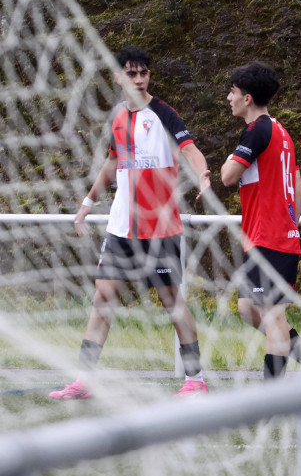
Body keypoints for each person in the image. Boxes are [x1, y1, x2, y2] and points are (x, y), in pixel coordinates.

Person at [50, 46, 212, 399]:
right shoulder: (118, 118)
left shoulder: (165, 114)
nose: (139, 79)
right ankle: (84, 380)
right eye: (132, 73)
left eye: (144, 73)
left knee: (172, 301)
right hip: (121, 228)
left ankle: (196, 380)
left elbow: (188, 148)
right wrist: (87, 203)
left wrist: (203, 174)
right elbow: (111, 164)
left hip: (161, 228)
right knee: (102, 298)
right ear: (118, 77)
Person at [221, 61, 301, 381]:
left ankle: (274, 393)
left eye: (232, 92)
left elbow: (228, 176)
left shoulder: (257, 130)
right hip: (265, 237)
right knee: (247, 308)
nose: (229, 98)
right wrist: (290, 221)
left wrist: (283, 226)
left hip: (270, 238)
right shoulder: (280, 130)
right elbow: (297, 183)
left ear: (248, 98)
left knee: (272, 317)